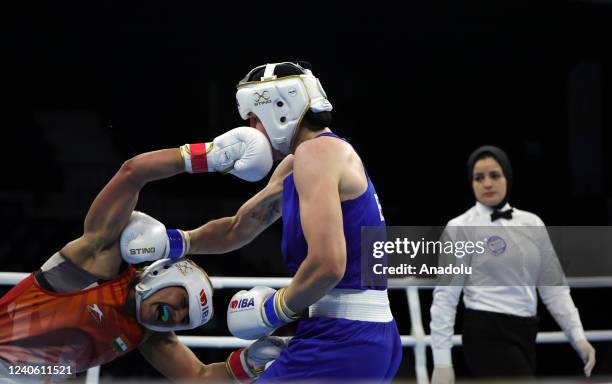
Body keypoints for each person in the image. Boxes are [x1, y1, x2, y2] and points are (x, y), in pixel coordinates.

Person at [0, 127, 286, 383]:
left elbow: (199, 377)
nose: (179, 315)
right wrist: (207, 156)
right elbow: (133, 172)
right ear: (161, 276)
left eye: (186, 319)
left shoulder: (148, 334)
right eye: (183, 301)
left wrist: (250, 363)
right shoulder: (96, 258)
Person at [185, 61, 402, 382]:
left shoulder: (317, 155)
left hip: (343, 338)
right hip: (361, 335)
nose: (253, 131)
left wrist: (273, 310)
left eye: (255, 119)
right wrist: (175, 242)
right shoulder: (299, 162)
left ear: (279, 109)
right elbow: (237, 228)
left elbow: (329, 264)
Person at [429, 145, 596, 383]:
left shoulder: (532, 222)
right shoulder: (460, 227)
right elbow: (445, 297)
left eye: (494, 175)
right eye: (479, 178)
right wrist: (442, 361)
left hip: (526, 331)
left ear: (507, 176)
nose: (487, 183)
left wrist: (577, 336)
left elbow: (553, 287)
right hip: (485, 331)